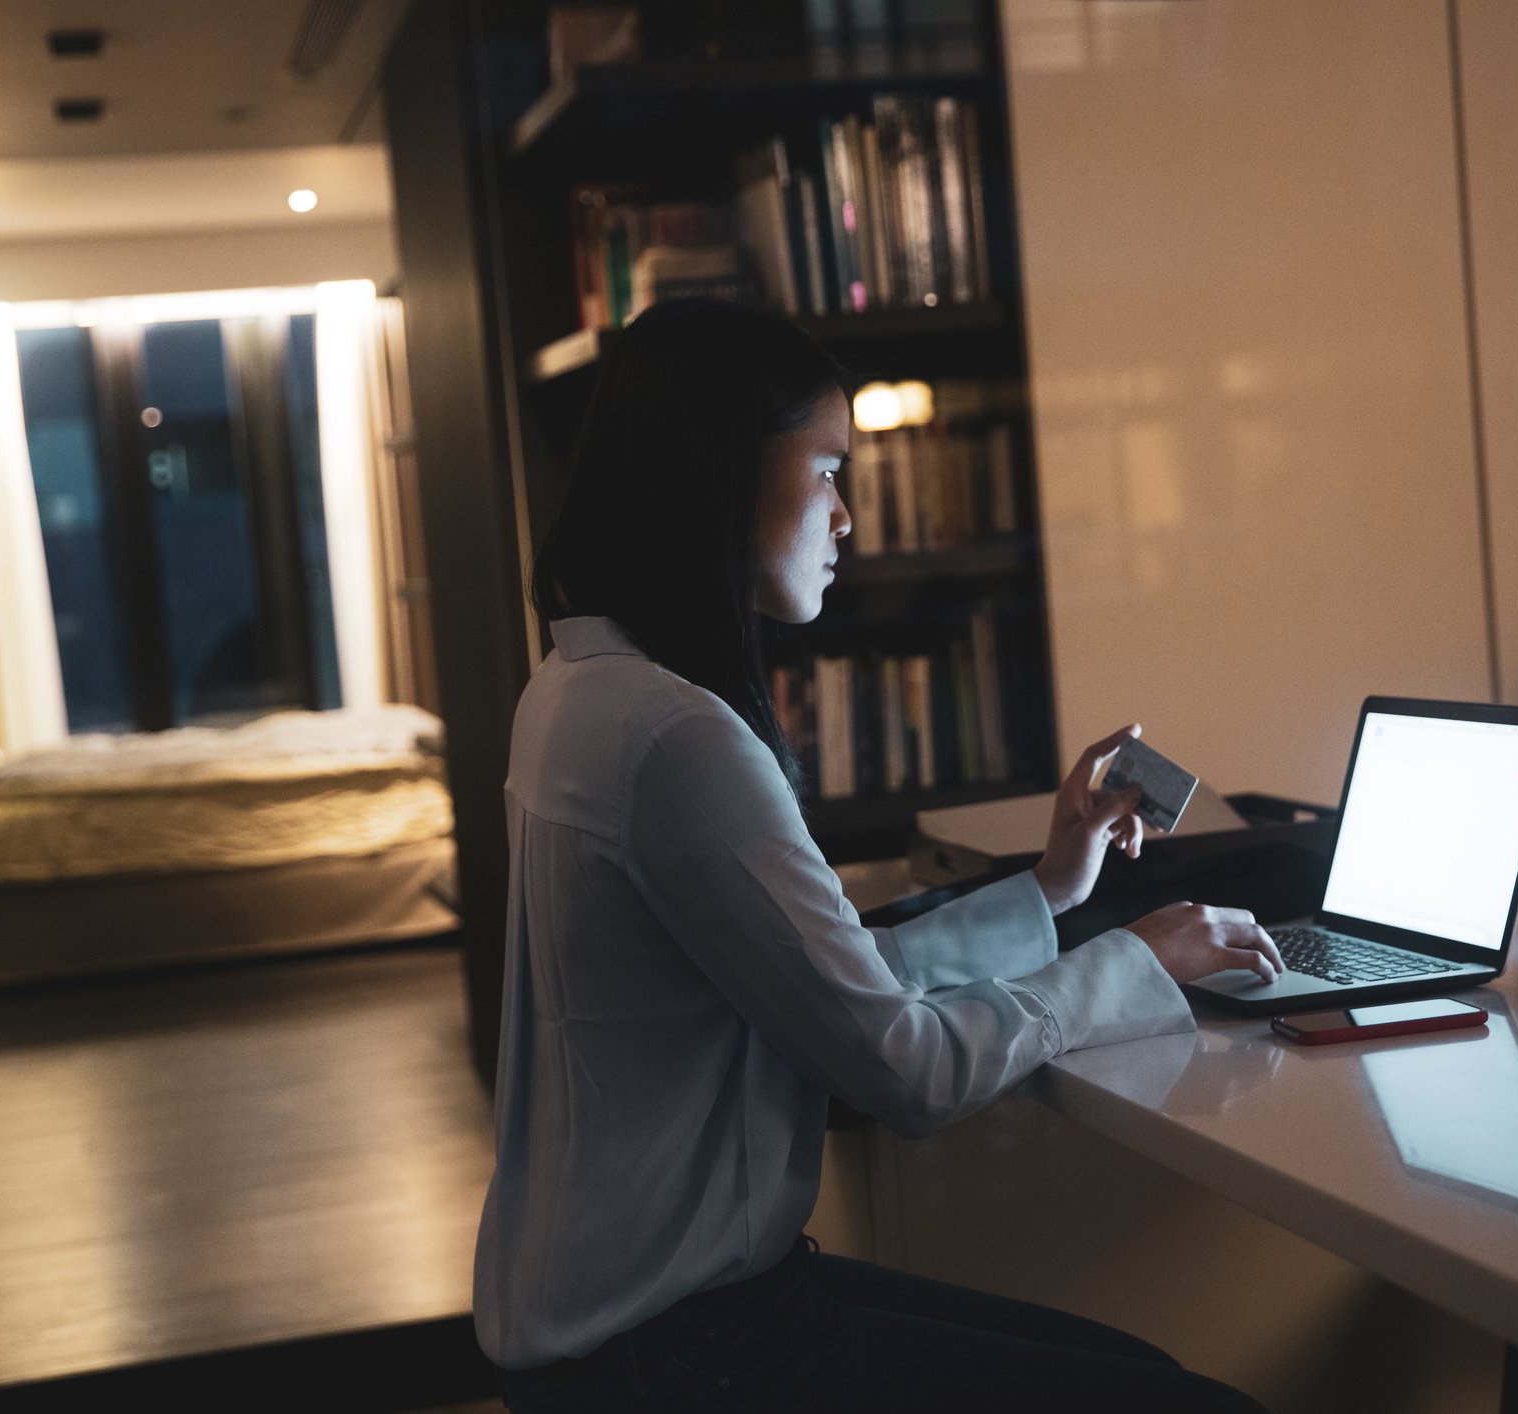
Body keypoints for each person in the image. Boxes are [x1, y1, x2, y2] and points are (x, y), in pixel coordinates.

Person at [475, 298, 1282, 1412]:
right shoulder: (679, 742)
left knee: (1150, 1379)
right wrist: (1137, 962)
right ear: (719, 474)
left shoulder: (574, 693)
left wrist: (1051, 888)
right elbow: (902, 1068)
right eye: (825, 471)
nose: (848, 516)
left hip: (618, 1330)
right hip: (678, 1354)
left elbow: (825, 975)